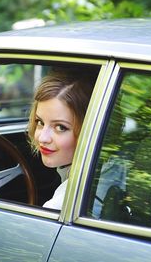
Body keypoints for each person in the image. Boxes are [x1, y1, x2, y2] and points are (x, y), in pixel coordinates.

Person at [27, 69, 95, 210]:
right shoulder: (111, 168)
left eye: (60, 127)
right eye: (40, 122)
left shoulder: (60, 206)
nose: (43, 138)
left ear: (88, 130)